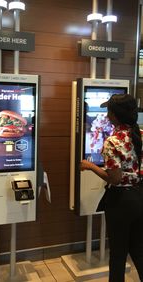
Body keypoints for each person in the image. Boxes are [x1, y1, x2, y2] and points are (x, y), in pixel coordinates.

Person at [80, 94, 143, 282]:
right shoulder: (140, 135)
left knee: (117, 253)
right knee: (139, 249)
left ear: (115, 116)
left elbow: (114, 179)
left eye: (109, 112)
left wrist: (90, 166)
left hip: (121, 202)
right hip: (140, 196)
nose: (107, 116)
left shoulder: (112, 142)